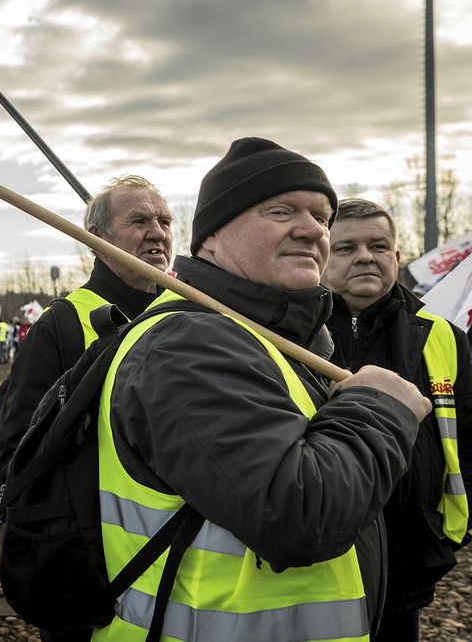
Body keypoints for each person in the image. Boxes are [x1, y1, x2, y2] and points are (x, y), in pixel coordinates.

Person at [90, 137, 431, 640]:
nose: (312, 229)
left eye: (321, 216)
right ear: (211, 236)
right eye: (281, 210)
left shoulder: (263, 339)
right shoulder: (188, 344)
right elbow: (296, 515)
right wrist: (379, 407)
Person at [322, 199, 471, 640]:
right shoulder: (291, 334)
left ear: (397, 256)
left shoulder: (442, 336)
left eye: (378, 245)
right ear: (322, 256)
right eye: (346, 247)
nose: (365, 256)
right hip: (319, 559)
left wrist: (443, 535)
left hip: (410, 561)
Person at [0, 175, 172, 513]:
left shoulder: (187, 315)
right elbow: (19, 456)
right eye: (139, 220)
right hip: (97, 552)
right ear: (97, 239)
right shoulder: (61, 326)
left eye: (165, 221)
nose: (158, 232)